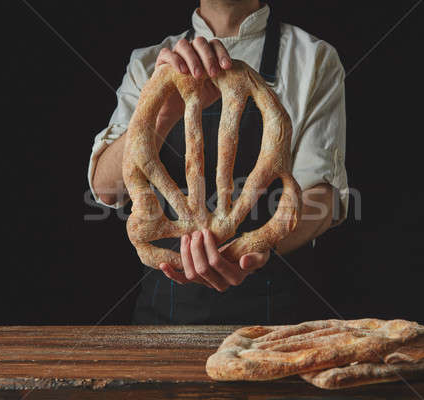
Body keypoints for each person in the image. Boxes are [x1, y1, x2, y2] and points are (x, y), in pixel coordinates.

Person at [88, 0, 348, 324]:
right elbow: (106, 188)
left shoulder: (314, 59)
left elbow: (321, 198)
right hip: (162, 323)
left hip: (277, 322)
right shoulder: (148, 64)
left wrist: (260, 246)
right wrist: (163, 113)